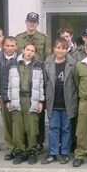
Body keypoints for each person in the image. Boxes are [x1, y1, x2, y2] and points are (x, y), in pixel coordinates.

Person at [2, 42, 44, 165]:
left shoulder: (39, 65)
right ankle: (20, 152)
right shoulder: (12, 64)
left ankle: (32, 152)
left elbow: (42, 85)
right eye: (28, 49)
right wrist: (7, 99)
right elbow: (6, 83)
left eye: (32, 50)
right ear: (23, 50)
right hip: (16, 99)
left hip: (32, 99)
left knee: (32, 128)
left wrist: (41, 101)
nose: (29, 52)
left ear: (35, 52)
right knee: (18, 128)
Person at [16, 12, 51, 154]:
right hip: (22, 77)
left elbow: (47, 61)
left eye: (34, 22)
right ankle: (23, 143)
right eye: (30, 21)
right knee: (22, 115)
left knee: (38, 113)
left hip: (38, 77)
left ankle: (39, 142)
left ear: (37, 23)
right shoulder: (19, 38)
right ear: (26, 22)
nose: (32, 24)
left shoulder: (43, 39)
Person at [41, 38, 78, 165]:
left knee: (66, 129)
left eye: (63, 48)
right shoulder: (47, 63)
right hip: (53, 102)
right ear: (53, 48)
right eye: (57, 47)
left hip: (67, 102)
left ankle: (64, 153)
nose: (60, 50)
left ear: (67, 49)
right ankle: (53, 153)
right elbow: (45, 83)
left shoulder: (73, 64)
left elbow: (76, 83)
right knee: (53, 128)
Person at [58, 26, 79, 152]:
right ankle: (63, 143)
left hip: (73, 89)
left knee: (73, 119)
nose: (65, 38)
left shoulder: (78, 51)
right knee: (62, 121)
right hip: (61, 90)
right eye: (63, 37)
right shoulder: (57, 50)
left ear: (71, 36)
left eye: (67, 36)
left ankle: (74, 143)